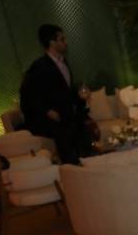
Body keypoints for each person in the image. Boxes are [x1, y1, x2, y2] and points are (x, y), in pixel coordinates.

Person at [18, 24, 94, 164]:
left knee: (84, 125)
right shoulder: (39, 66)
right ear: (52, 42)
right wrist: (47, 111)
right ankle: (72, 167)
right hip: (49, 118)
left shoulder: (63, 63)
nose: (66, 43)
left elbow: (65, 91)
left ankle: (87, 163)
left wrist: (80, 96)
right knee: (64, 132)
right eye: (62, 39)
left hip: (65, 114)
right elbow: (28, 95)